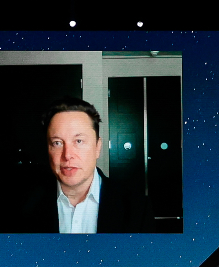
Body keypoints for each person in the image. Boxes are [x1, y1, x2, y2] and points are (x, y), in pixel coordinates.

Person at [10, 99, 152, 232]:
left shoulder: (136, 208)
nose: (67, 155)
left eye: (78, 141)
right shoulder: (21, 207)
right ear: (48, 149)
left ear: (97, 147)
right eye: (57, 143)